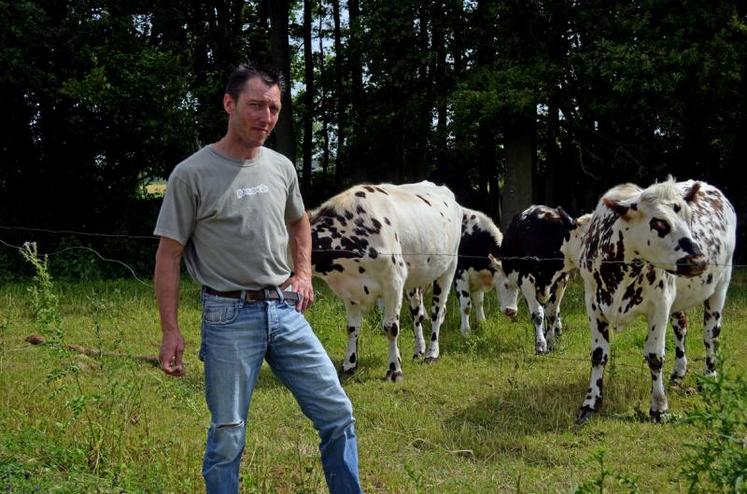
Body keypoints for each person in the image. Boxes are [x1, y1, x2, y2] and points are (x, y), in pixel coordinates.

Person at [153, 63, 363, 494]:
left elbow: (299, 220)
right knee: (229, 433)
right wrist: (170, 331)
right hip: (227, 316)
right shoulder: (192, 174)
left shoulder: (281, 167)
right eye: (255, 106)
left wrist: (303, 273)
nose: (265, 117)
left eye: (274, 108)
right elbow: (168, 255)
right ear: (229, 104)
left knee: (337, 412)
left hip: (284, 311)